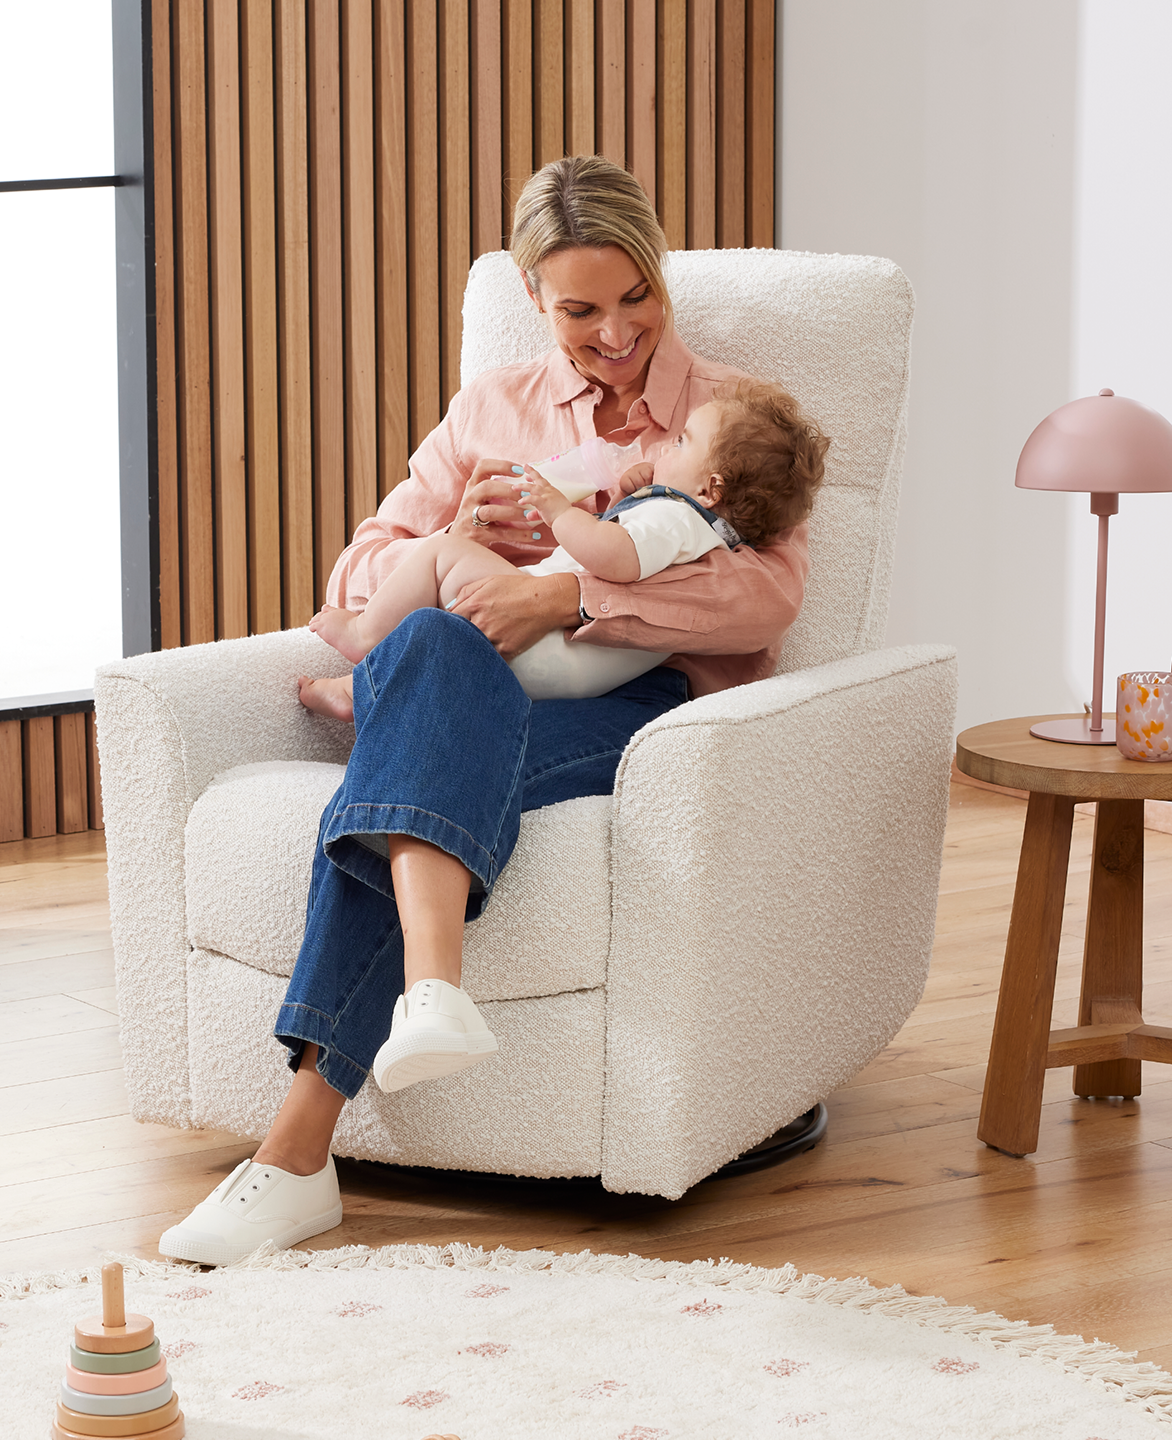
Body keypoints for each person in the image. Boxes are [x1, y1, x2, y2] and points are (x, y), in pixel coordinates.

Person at [158, 155, 817, 1267]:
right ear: (531, 296)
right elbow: (357, 574)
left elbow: (766, 594)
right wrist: (453, 537)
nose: (617, 333)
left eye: (637, 297)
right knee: (430, 650)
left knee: (413, 753)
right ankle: (425, 1000)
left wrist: (565, 595)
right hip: (470, 681)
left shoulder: (728, 416)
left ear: (660, 273)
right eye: (581, 311)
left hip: (642, 711)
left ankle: (295, 1152)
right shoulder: (493, 409)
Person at [299, 381, 827, 717]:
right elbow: (358, 561)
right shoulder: (696, 530)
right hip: (563, 667)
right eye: (579, 309)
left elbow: (615, 557)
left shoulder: (677, 513)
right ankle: (364, 693)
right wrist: (628, 499)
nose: (669, 444)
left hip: (554, 649)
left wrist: (558, 511)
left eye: (682, 442)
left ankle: (365, 646)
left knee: (439, 559)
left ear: (711, 490)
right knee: (435, 620)